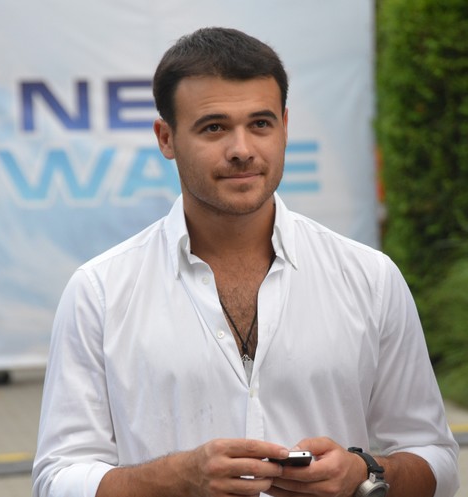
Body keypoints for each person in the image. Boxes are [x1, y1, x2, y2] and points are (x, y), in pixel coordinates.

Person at [32, 27, 459, 497]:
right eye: (214, 127)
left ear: (285, 127)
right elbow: (56, 479)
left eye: (260, 124)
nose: (242, 149)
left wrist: (365, 473)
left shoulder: (370, 277)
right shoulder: (100, 290)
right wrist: (177, 479)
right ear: (166, 138)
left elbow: (436, 460)